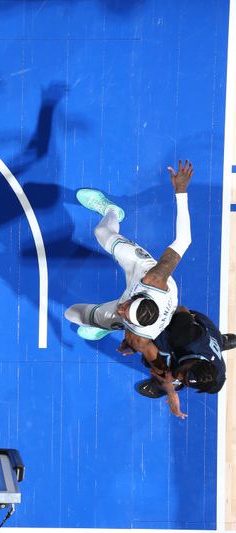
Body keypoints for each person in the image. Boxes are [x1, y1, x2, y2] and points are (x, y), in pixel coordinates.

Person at [64, 160, 194, 340]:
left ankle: (108, 327)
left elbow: (141, 345)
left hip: (137, 312)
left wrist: (128, 340)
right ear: (137, 299)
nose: (120, 309)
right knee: (101, 232)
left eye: (124, 314)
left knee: (72, 314)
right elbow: (184, 240)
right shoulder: (154, 279)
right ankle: (112, 211)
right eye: (126, 307)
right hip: (140, 269)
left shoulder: (145, 333)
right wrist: (181, 191)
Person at [118, 307, 233, 419]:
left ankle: (220, 343)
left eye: (184, 381)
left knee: (170, 374)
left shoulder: (216, 381)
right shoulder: (184, 337)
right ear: (196, 362)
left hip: (210, 338)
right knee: (151, 358)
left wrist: (171, 390)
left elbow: (215, 383)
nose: (178, 376)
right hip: (190, 325)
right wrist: (139, 343)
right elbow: (181, 309)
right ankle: (161, 382)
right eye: (184, 372)